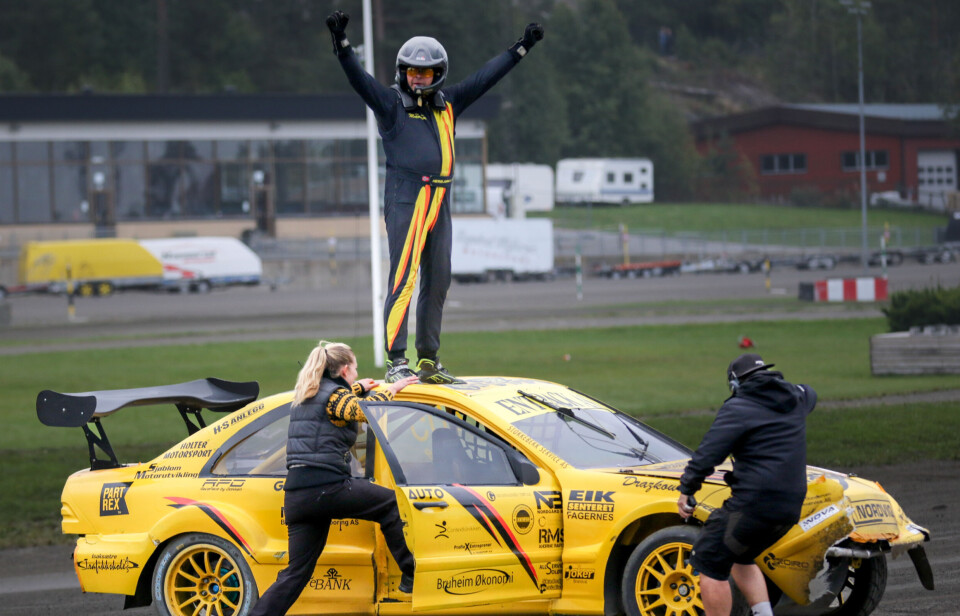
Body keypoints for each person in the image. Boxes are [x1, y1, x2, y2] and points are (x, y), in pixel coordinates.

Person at [325, 11, 544, 384]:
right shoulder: (391, 104)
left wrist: (522, 47)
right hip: (408, 198)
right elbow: (359, 79)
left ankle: (428, 359)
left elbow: (486, 77)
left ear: (438, 74)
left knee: (439, 279)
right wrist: (342, 43)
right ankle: (397, 361)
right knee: (403, 279)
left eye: (425, 73)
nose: (417, 78)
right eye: (412, 71)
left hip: (439, 199)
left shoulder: (449, 102)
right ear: (403, 72)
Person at [249, 340, 419, 616]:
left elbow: (337, 404)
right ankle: (410, 576)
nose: (356, 373)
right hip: (326, 487)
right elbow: (363, 411)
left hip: (298, 496)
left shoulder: (308, 393)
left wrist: (358, 388)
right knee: (389, 503)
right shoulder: (335, 396)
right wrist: (392, 389)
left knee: (296, 573)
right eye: (355, 369)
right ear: (345, 370)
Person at [677, 354, 817, 616]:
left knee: (708, 559)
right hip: (790, 507)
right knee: (739, 556)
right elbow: (810, 392)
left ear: (734, 383)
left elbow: (708, 454)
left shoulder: (738, 409)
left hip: (753, 504)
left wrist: (687, 488)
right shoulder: (798, 398)